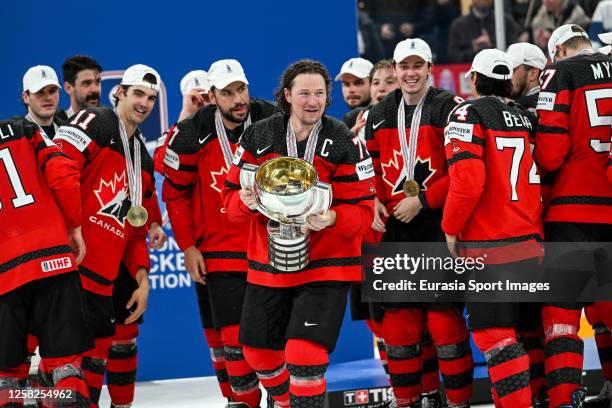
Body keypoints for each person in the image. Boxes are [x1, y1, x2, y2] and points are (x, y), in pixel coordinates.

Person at [223, 59, 375, 408]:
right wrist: (244, 202)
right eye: (304, 92)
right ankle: (287, 402)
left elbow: (365, 212)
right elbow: (229, 201)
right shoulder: (259, 135)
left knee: (304, 355)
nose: (312, 101)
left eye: (320, 93)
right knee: (258, 353)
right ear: (287, 95)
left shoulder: (344, 140)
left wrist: (334, 217)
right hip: (269, 263)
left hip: (327, 264)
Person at [364, 38, 473, 408]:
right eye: (403, 67)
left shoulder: (450, 108)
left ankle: (456, 403)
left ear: (429, 67)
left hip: (438, 226)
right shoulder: (377, 115)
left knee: (444, 321)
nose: (410, 73)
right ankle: (409, 401)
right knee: (398, 323)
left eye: (417, 66)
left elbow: (462, 170)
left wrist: (423, 200)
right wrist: (376, 197)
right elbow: (371, 168)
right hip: (396, 226)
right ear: (394, 70)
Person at [161, 59, 277, 408]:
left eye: (241, 89)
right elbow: (173, 188)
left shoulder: (271, 118)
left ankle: (282, 400)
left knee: (273, 338)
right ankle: (241, 401)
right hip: (219, 251)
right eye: (227, 93)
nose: (238, 99)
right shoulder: (194, 129)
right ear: (213, 96)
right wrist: (188, 246)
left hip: (270, 247)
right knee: (230, 339)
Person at [53, 64, 159, 405]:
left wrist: (142, 279)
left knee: (94, 368)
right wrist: (73, 226)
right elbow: (59, 165)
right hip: (70, 269)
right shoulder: (95, 120)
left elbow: (135, 229)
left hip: (103, 279)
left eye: (152, 98)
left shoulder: (142, 158)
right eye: (138, 94)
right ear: (120, 93)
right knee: (59, 368)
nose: (144, 103)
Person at [443, 48, 543, 407]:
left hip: (490, 245)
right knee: (526, 334)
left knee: (496, 337)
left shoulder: (466, 113)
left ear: (473, 79)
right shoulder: (526, 116)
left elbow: (467, 182)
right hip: (531, 241)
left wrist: (450, 228)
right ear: (507, 81)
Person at [534, 24, 612, 408]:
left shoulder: (562, 72)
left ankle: (566, 397)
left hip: (573, 205)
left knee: (562, 309)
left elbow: (550, 152)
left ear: (559, 50)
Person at [0, 117, 92, 407]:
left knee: (6, 380)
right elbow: (63, 173)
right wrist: (74, 226)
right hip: (52, 257)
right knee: (66, 370)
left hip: (4, 275)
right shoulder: (22, 128)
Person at [447, 0, 521, 63]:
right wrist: (473, 49)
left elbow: (515, 54)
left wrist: (491, 47)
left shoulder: (505, 22)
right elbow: (452, 57)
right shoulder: (459, 25)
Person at [21, 65, 65, 137]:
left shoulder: (70, 131)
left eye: (52, 91)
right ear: (25, 97)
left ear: (59, 93)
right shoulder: (16, 135)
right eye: (40, 92)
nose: (48, 98)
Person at [58, 55, 103, 120]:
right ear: (68, 88)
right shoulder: (59, 126)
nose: (95, 89)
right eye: (87, 83)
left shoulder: (111, 123)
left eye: (97, 82)